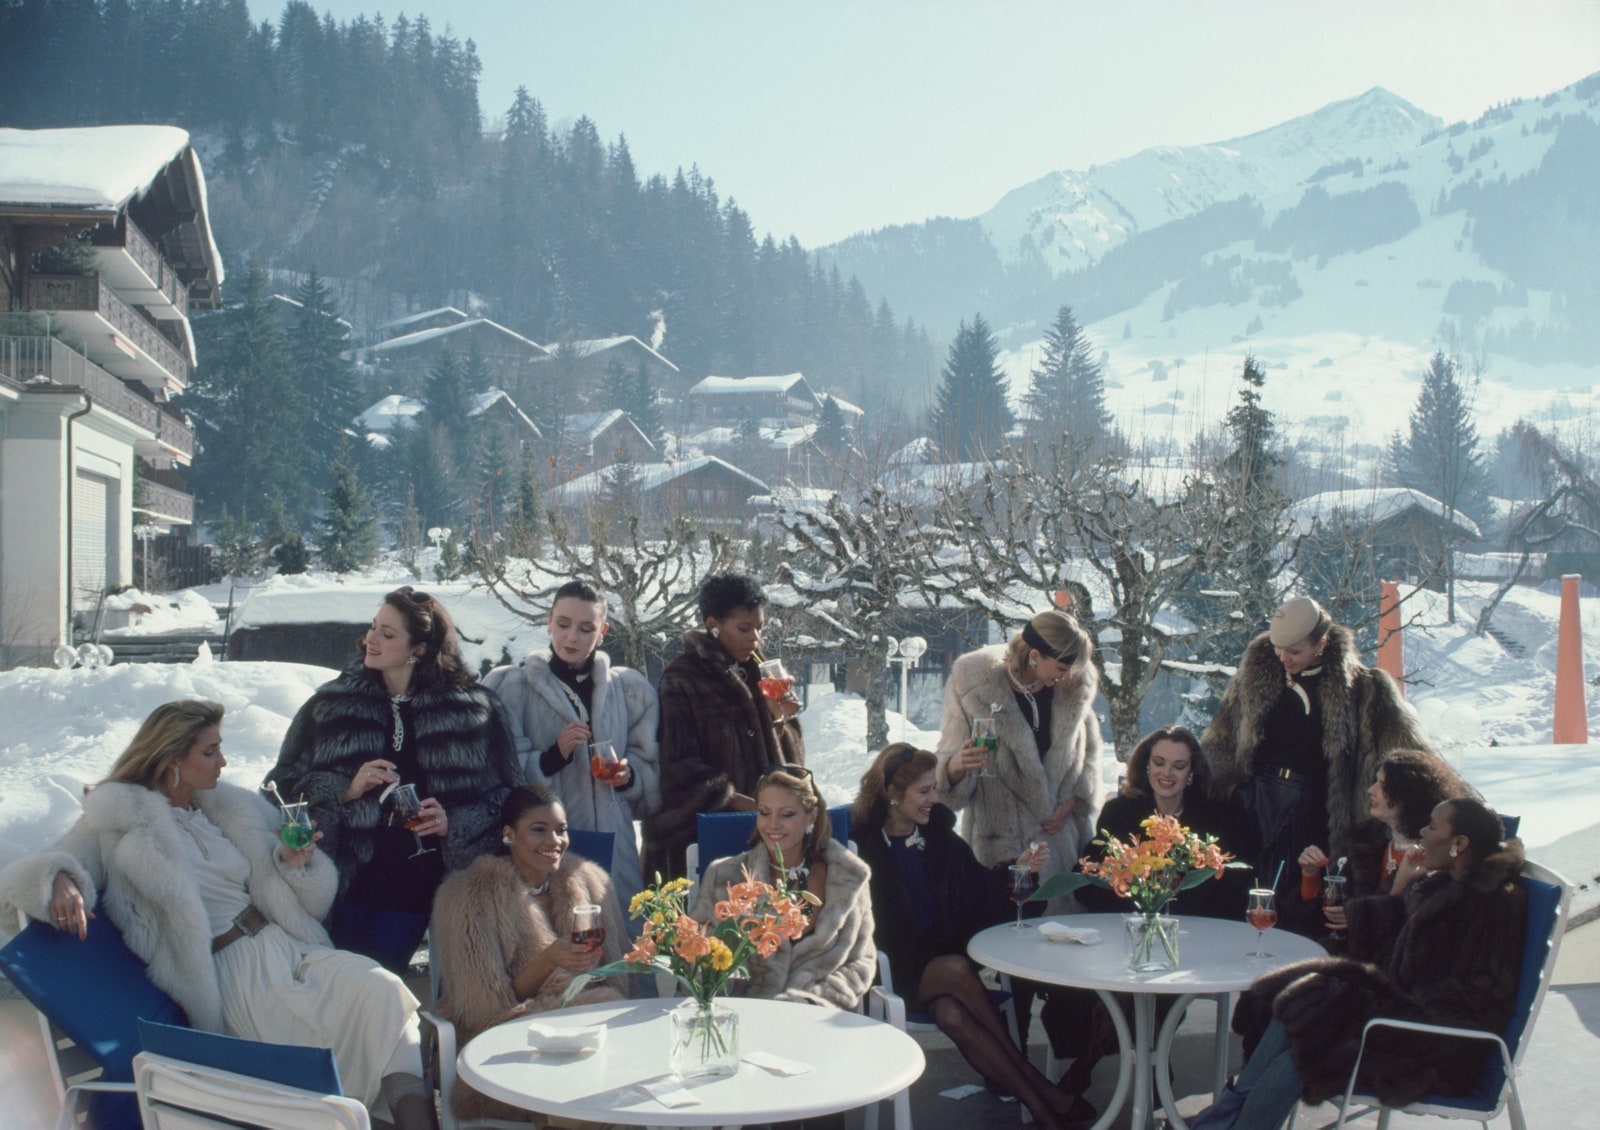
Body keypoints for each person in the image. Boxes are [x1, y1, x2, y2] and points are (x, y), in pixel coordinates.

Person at [0, 701, 435, 1129]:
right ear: (171, 759)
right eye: (209, 752)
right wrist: (56, 878)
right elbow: (23, 882)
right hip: (235, 975)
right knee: (323, 1061)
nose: (223, 762)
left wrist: (292, 862)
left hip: (290, 950)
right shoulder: (117, 822)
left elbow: (309, 900)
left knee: (384, 992)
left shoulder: (232, 809)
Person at [1190, 798, 1527, 1129]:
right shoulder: (1445, 885)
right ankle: (1223, 1122)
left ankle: (1227, 1123)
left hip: (1438, 1046)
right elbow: (1395, 939)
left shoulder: (1491, 903)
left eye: (1432, 826)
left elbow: (1476, 997)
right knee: (1294, 1004)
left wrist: (1373, 1005)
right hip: (1402, 1019)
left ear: (1459, 843)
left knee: (1306, 1056)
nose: (1422, 832)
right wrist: (1397, 890)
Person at [267, 585, 519, 972]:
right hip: (343, 881)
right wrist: (344, 789)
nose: (371, 639)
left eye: (388, 634)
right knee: (333, 986)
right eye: (373, 627)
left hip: (419, 885)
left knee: (374, 986)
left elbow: (510, 798)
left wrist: (454, 821)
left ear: (419, 648)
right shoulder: (330, 705)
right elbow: (278, 789)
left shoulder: (475, 710)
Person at [855, 744, 1088, 1130]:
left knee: (952, 1012)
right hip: (890, 970)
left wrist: (1019, 872)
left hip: (941, 970)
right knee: (956, 968)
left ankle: (1044, 1109)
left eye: (934, 789)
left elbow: (980, 889)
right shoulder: (860, 847)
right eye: (925, 791)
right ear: (894, 793)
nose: (934, 798)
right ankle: (1041, 1088)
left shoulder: (940, 838)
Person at [1051, 725, 1253, 1105]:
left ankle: (1086, 1067)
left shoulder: (1217, 817)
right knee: (1127, 983)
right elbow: (1093, 878)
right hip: (1127, 935)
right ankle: (1155, 1067)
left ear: (1192, 772)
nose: (1167, 773)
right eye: (1159, 763)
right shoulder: (1120, 811)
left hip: (1194, 940)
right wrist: (1131, 880)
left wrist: (1182, 886)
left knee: (1144, 984)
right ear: (1146, 766)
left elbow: (1230, 890)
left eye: (1179, 766)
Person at [936, 607, 1102, 1047]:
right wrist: (955, 767)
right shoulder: (973, 684)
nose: (1067, 676)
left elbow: (1091, 756)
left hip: (1061, 845)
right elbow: (949, 773)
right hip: (1001, 848)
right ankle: (1009, 1065)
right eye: (1061, 666)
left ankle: (1069, 1069)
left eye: (1073, 668)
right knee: (1011, 973)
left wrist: (1074, 801)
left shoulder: (1075, 688)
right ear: (1034, 656)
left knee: (1068, 965)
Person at [1203, 595, 1432, 904]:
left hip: (1314, 810)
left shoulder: (1365, 689)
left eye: (1295, 651)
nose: (1284, 657)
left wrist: (1460, 814)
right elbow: (1218, 743)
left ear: (1321, 643)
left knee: (1292, 897)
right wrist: (1232, 788)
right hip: (1253, 803)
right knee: (1241, 891)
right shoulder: (1253, 680)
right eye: (1278, 648)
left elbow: (1413, 757)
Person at [430, 784, 627, 1124]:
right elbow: (485, 1013)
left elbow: (622, 983)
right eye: (539, 830)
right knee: (582, 1091)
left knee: (633, 1081)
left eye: (561, 830)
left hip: (587, 1036)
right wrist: (550, 959)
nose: (555, 841)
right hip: (499, 1050)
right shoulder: (468, 897)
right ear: (509, 835)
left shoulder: (590, 882)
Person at [483, 579, 661, 921]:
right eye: (563, 624)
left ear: (603, 631)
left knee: (621, 940)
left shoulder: (628, 690)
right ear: (549, 620)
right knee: (557, 946)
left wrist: (628, 775)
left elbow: (650, 767)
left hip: (613, 843)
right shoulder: (514, 689)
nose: (572, 637)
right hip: (544, 845)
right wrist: (552, 757)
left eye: (585, 628)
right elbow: (498, 778)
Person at [642, 572, 805, 880]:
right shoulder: (683, 678)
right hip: (703, 837)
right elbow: (677, 766)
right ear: (713, 625)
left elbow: (790, 763)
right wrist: (736, 800)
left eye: (759, 628)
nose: (755, 638)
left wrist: (781, 718)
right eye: (744, 628)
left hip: (768, 835)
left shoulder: (762, 670)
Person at [690, 766, 875, 1009]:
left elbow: (862, 961)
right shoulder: (724, 877)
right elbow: (694, 955)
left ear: (812, 816)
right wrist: (717, 980)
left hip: (816, 1017)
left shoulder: (848, 878)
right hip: (747, 1016)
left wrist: (812, 1001)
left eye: (787, 814)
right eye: (764, 813)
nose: (773, 825)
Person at [1283, 748, 1474, 941]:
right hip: (1338, 953)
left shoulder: (1433, 857)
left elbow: (1411, 937)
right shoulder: (1364, 840)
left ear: (1408, 794)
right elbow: (1322, 919)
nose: (1370, 790)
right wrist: (1310, 876)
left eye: (1382, 785)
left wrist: (1368, 912)